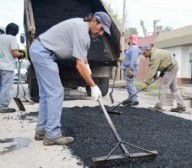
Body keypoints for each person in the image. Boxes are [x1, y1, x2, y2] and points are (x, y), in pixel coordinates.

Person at [29, 11, 111, 146]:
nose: (101, 33)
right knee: (56, 93)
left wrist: (87, 65)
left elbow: (82, 58)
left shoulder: (82, 27)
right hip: (43, 53)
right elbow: (79, 65)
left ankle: (42, 130)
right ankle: (52, 135)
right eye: (101, 28)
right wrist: (93, 86)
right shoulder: (81, 31)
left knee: (46, 95)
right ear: (94, 21)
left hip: (39, 50)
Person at [140, 45, 186, 113]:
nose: (143, 55)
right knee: (174, 88)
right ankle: (181, 107)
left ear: (148, 50)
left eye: (144, 53)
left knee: (163, 87)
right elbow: (163, 61)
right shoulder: (155, 52)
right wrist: (162, 72)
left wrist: (146, 83)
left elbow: (152, 71)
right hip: (174, 66)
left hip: (170, 68)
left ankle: (158, 107)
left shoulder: (154, 56)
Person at [0, 23, 25, 113]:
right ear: (16, 32)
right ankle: (3, 106)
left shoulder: (1, 37)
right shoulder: (12, 38)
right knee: (6, 87)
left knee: (1, 87)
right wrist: (21, 54)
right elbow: (14, 53)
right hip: (7, 66)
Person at [120, 34, 140, 106]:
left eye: (129, 39)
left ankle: (134, 100)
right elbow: (128, 58)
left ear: (131, 40)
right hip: (128, 68)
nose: (128, 40)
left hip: (131, 69)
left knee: (130, 84)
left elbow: (133, 60)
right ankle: (131, 98)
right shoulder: (131, 48)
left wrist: (131, 70)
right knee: (128, 84)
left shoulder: (134, 48)